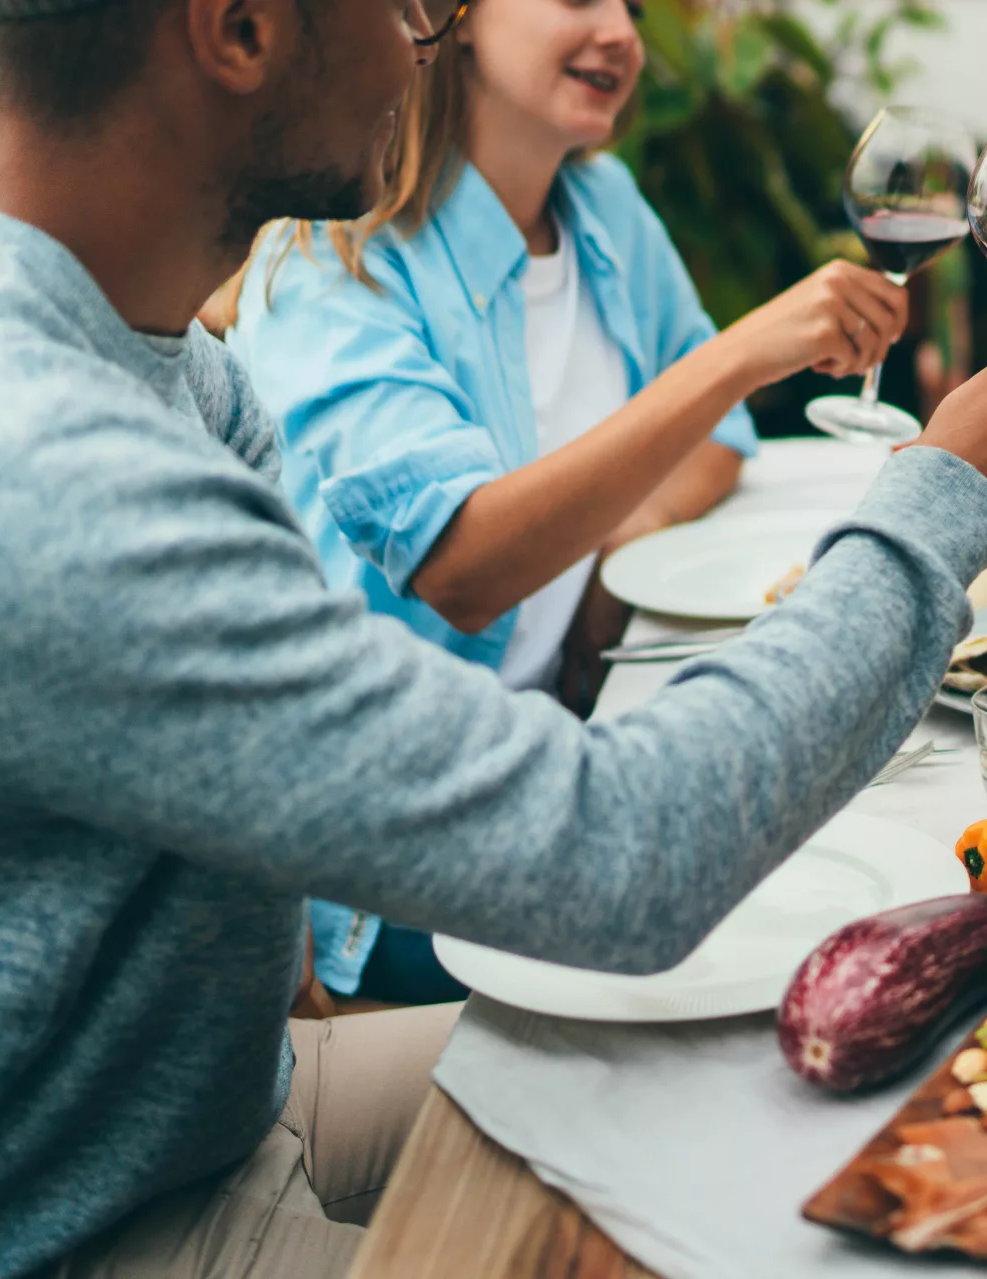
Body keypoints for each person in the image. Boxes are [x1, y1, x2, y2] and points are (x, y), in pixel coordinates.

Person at [0, 0, 987, 1266]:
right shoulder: (41, 465)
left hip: (227, 1104)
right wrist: (937, 513)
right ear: (238, 31)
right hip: (80, 1219)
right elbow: (619, 853)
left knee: (838, 1055)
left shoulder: (163, 359)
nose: (417, 47)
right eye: (406, 6)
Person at [219, 0, 906, 1005]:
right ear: (447, 17)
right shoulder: (332, 261)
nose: (621, 33)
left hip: (561, 759)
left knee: (855, 884)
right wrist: (734, 357)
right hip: (401, 859)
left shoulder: (603, 206)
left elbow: (715, 443)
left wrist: (623, 537)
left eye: (629, 5)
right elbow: (463, 568)